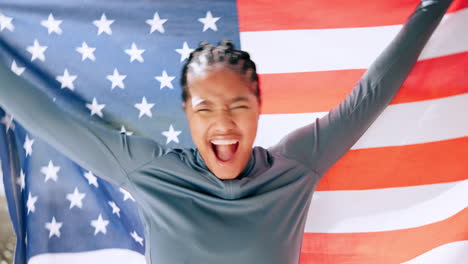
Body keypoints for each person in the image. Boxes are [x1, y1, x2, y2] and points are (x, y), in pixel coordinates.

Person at [0, 0, 453, 263]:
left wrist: (434, 4)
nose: (223, 123)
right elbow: (47, 118)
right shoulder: (148, 171)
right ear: (187, 113)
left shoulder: (296, 165)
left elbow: (371, 93)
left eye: (239, 105)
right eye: (205, 108)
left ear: (260, 108)